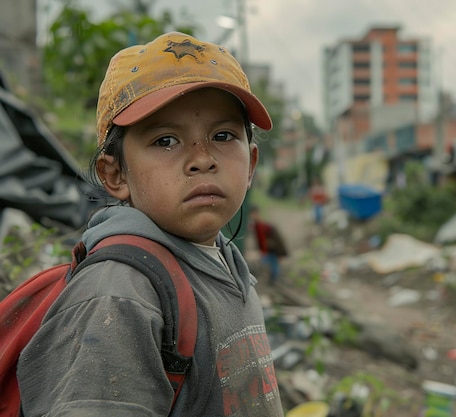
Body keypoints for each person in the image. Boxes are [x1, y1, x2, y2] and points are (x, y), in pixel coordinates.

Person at [16, 32, 284, 416]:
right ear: (115, 175)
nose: (202, 159)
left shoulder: (225, 265)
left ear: (251, 165)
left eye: (222, 136)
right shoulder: (120, 294)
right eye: (166, 141)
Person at [249, 205, 288, 285]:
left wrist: (280, 252)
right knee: (269, 264)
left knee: (273, 265)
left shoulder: (264, 227)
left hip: (273, 250)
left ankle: (273, 281)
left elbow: (277, 240)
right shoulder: (257, 226)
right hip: (269, 250)